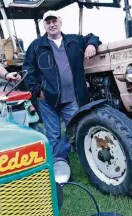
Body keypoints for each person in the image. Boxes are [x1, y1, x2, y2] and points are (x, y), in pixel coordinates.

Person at [23, 10, 101, 165]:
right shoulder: (36, 46)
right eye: (48, 22)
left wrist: (91, 44)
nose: (52, 25)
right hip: (48, 100)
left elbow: (93, 37)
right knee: (54, 136)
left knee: (78, 131)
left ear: (60, 21)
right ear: (44, 25)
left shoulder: (74, 41)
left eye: (54, 21)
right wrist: (37, 91)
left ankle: (89, 164)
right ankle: (61, 170)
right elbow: (28, 70)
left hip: (72, 98)